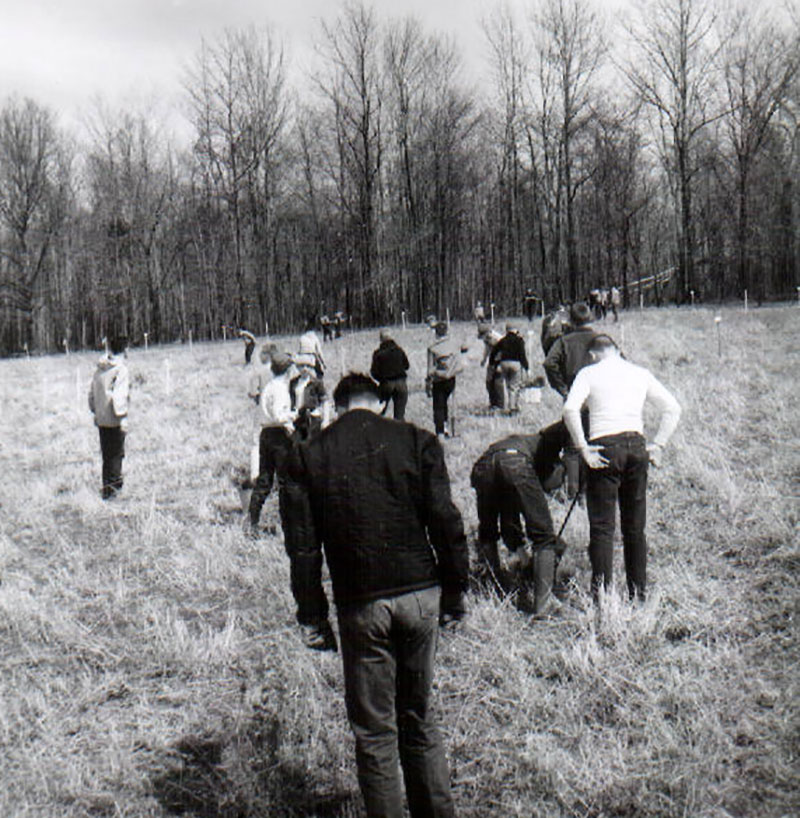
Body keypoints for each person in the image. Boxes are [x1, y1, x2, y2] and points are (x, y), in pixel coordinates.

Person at [282, 373, 469, 818]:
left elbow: (303, 548)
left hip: (360, 604)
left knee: (374, 733)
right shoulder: (417, 439)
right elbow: (446, 521)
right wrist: (456, 592)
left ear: (338, 407)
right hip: (421, 594)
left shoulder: (310, 454)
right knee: (420, 719)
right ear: (382, 403)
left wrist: (313, 616)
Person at [563, 335, 681, 601]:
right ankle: (638, 595)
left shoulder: (588, 373)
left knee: (603, 528)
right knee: (634, 528)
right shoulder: (640, 373)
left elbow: (570, 410)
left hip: (604, 448)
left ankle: (603, 596)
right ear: (618, 351)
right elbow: (673, 408)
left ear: (593, 354)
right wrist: (659, 444)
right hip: (636, 446)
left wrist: (583, 448)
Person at [470, 422, 570, 615]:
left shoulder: (529, 443)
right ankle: (543, 607)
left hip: (483, 465)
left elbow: (510, 522)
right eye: (552, 487)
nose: (550, 492)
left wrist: (525, 562)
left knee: (488, 530)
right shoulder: (543, 454)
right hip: (515, 463)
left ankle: (493, 586)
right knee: (544, 536)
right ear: (554, 468)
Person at [544, 302, 598, 498]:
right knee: (595, 442)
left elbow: (549, 363)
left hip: (573, 399)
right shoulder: (602, 340)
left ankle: (574, 493)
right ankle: (591, 490)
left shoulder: (564, 341)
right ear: (590, 318)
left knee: (573, 446)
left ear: (572, 321)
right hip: (598, 402)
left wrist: (562, 388)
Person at [248, 351, 297, 532]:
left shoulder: (268, 386)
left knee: (265, 480)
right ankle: (288, 525)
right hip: (278, 436)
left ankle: (252, 522)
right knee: (285, 482)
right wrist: (294, 415)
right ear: (287, 370)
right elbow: (278, 415)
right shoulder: (280, 389)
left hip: (265, 434)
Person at [88, 335, 130, 499]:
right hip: (114, 419)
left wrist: (96, 411)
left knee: (107, 456)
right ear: (125, 349)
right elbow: (119, 397)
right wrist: (122, 418)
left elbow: (91, 394)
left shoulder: (100, 368)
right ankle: (114, 492)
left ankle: (107, 489)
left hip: (101, 419)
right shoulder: (121, 370)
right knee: (116, 455)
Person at [426, 321, 463, 438]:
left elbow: (430, 369)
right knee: (449, 404)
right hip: (451, 380)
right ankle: (451, 429)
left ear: (435, 333)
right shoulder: (454, 345)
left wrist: (428, 382)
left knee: (439, 406)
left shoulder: (432, 348)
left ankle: (441, 432)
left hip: (438, 380)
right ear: (447, 331)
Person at [248, 342, 277, 481]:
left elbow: (252, 393)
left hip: (261, 410)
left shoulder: (258, 373)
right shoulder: (278, 371)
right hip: (276, 410)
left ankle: (255, 474)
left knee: (256, 442)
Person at [488, 322, 529, 414]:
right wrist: (527, 368)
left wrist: (493, 364)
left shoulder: (502, 340)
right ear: (515, 330)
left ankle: (503, 405)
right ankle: (513, 408)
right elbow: (522, 355)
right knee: (514, 387)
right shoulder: (519, 340)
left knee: (505, 385)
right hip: (515, 364)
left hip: (504, 364)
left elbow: (494, 352)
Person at [370, 329, 410, 420]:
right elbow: (407, 366)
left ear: (381, 339)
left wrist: (381, 379)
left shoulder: (378, 354)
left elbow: (373, 372)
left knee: (379, 412)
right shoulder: (399, 350)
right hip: (401, 383)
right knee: (399, 415)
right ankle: (399, 431)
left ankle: (378, 430)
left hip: (386, 383)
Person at [477, 323, 504, 410]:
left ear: (488, 332)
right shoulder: (487, 339)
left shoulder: (498, 338)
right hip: (492, 361)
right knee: (489, 383)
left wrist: (500, 364)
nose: (483, 338)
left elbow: (505, 351)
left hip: (500, 361)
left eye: (483, 335)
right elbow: (487, 349)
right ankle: (492, 404)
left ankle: (500, 405)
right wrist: (484, 360)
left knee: (497, 383)